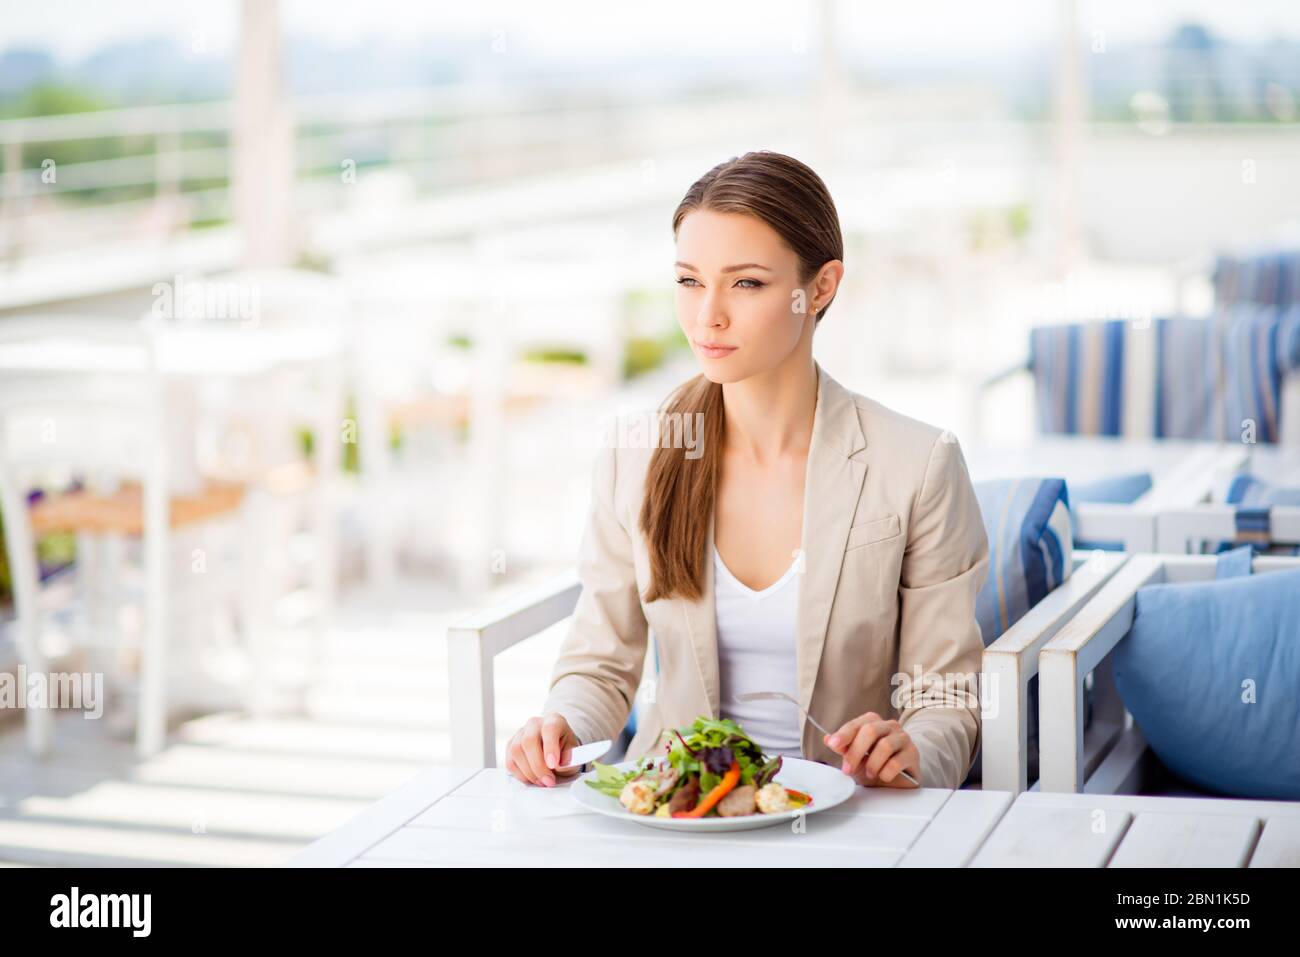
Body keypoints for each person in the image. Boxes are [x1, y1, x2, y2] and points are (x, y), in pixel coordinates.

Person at [506, 149, 988, 791]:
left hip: (849, 812)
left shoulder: (917, 465)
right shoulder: (635, 457)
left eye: (746, 283)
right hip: (677, 812)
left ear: (820, 287)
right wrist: (560, 723)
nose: (708, 315)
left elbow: (944, 696)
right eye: (689, 281)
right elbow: (601, 662)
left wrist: (914, 750)